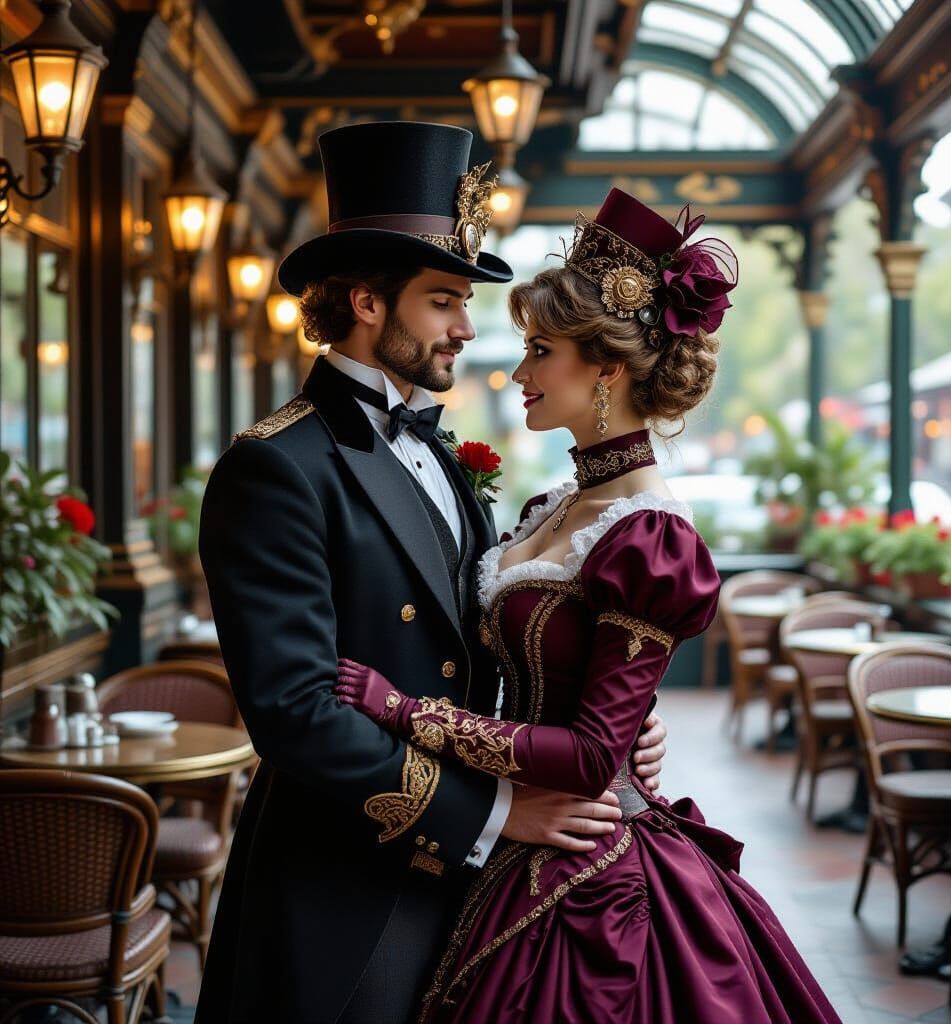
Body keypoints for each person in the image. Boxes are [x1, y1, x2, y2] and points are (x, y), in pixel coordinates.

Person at [335, 188, 843, 1023]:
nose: (520, 373)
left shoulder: (651, 536)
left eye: (540, 352)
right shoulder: (554, 506)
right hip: (503, 828)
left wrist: (405, 712)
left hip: (590, 859)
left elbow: (586, 758)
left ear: (606, 367)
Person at [196, 124, 667, 1024]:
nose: (467, 326)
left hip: (470, 874)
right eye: (445, 300)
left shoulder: (445, 455)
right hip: (348, 873)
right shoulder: (277, 466)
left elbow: (487, 645)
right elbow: (294, 714)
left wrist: (610, 726)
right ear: (368, 303)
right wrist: (493, 815)